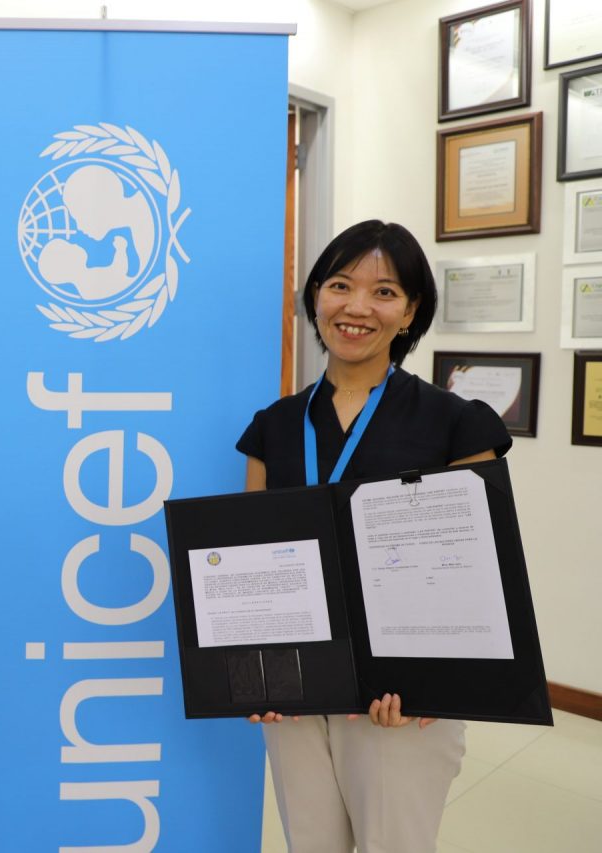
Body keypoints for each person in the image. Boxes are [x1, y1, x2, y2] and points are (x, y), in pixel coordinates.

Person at [236, 220, 511, 853]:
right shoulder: (274, 426)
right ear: (315, 298)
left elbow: (480, 569)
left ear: (410, 312)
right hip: (297, 688)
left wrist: (441, 682)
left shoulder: (456, 423)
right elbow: (253, 559)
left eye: (384, 292)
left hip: (402, 694)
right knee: (310, 843)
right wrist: (255, 673)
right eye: (340, 285)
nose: (357, 307)